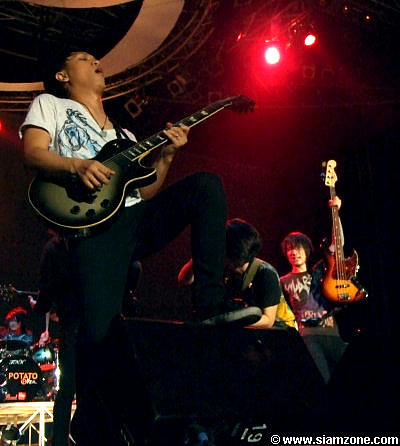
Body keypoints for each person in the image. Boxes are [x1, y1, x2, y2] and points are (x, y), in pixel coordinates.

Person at [20, 49, 261, 445]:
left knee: (205, 186)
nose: (95, 60)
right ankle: (89, 426)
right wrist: (77, 165)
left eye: (95, 57)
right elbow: (32, 153)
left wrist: (166, 156)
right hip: (94, 229)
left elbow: (144, 191)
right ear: (63, 75)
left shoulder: (125, 136)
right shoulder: (51, 105)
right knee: (100, 338)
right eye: (83, 57)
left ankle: (209, 305)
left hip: (134, 219)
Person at [179, 218, 297, 329]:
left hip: (280, 332)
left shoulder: (266, 274)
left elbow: (268, 320)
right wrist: (202, 252)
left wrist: (226, 321)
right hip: (246, 331)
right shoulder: (224, 267)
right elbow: (185, 279)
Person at [279, 197, 348, 383]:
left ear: (307, 250)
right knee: (322, 380)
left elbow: (338, 245)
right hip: (308, 337)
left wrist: (336, 212)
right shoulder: (282, 281)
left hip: (332, 333)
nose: (294, 252)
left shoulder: (319, 271)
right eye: (290, 249)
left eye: (297, 248)